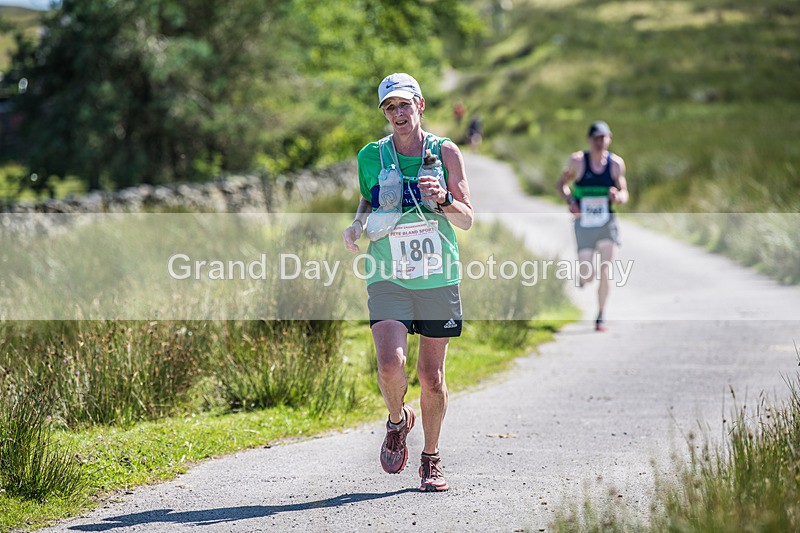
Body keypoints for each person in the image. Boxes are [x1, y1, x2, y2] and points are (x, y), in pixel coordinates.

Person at [342, 72, 473, 492]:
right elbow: (369, 197)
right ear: (385, 113)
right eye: (389, 107)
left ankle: (431, 459)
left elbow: (467, 219)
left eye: (404, 104)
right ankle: (398, 421)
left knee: (431, 377)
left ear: (420, 104)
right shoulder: (371, 156)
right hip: (388, 274)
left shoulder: (446, 152)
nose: (398, 114)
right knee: (389, 364)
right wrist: (357, 225)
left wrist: (444, 200)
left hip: (437, 277)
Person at [555, 120, 629, 332]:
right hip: (584, 225)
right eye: (596, 138)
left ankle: (601, 315)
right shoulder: (578, 161)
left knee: (606, 269)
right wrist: (571, 202)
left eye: (603, 138)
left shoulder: (615, 164)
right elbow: (561, 185)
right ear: (589, 140)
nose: (599, 142)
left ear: (609, 138)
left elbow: (624, 192)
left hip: (607, 223)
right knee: (589, 274)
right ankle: (583, 274)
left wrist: (619, 197)